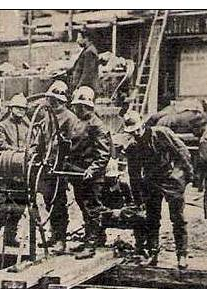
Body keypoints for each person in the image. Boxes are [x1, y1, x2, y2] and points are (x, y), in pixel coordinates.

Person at [123, 110, 195, 269]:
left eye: (137, 130)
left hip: (171, 180)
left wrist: (186, 176)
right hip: (151, 182)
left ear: (142, 124)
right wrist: (137, 199)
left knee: (178, 219)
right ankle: (153, 253)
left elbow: (182, 152)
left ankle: (181, 255)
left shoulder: (162, 133)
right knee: (152, 219)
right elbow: (133, 175)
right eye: (132, 132)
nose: (136, 134)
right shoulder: (132, 147)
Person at [35, 80, 81, 254]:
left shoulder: (70, 118)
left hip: (60, 166)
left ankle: (61, 239)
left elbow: (74, 143)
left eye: (53, 100)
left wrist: (63, 156)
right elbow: (41, 139)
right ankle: (54, 235)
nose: (51, 103)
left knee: (58, 202)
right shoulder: (47, 116)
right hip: (47, 165)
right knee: (48, 200)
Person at [67, 86, 113, 259]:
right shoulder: (79, 122)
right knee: (84, 207)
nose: (76, 109)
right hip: (78, 174)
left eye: (78, 106)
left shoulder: (97, 125)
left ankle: (91, 245)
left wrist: (92, 170)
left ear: (86, 106)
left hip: (92, 176)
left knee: (92, 208)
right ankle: (94, 239)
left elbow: (104, 153)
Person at [0, 94, 32, 248]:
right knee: (2, 206)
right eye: (17, 108)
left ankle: (10, 237)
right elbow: (0, 145)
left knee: (19, 206)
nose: (20, 111)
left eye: (23, 109)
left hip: (20, 174)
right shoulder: (1, 127)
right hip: (3, 173)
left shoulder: (27, 127)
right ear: (11, 108)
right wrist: (18, 151)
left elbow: (33, 144)